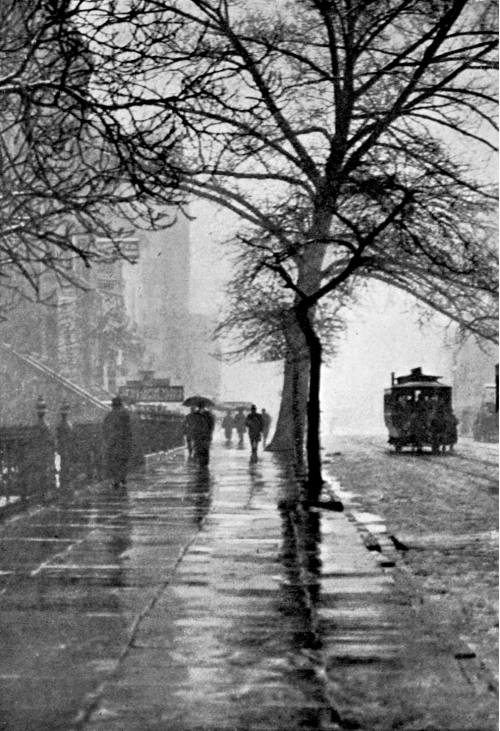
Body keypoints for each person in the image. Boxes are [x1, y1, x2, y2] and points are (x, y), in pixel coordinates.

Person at [103, 395, 132, 488]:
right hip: (123, 441)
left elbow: (105, 427)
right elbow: (128, 428)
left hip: (113, 441)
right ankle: (123, 478)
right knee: (123, 460)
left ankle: (116, 479)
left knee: (114, 460)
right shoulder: (125, 414)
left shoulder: (110, 415)